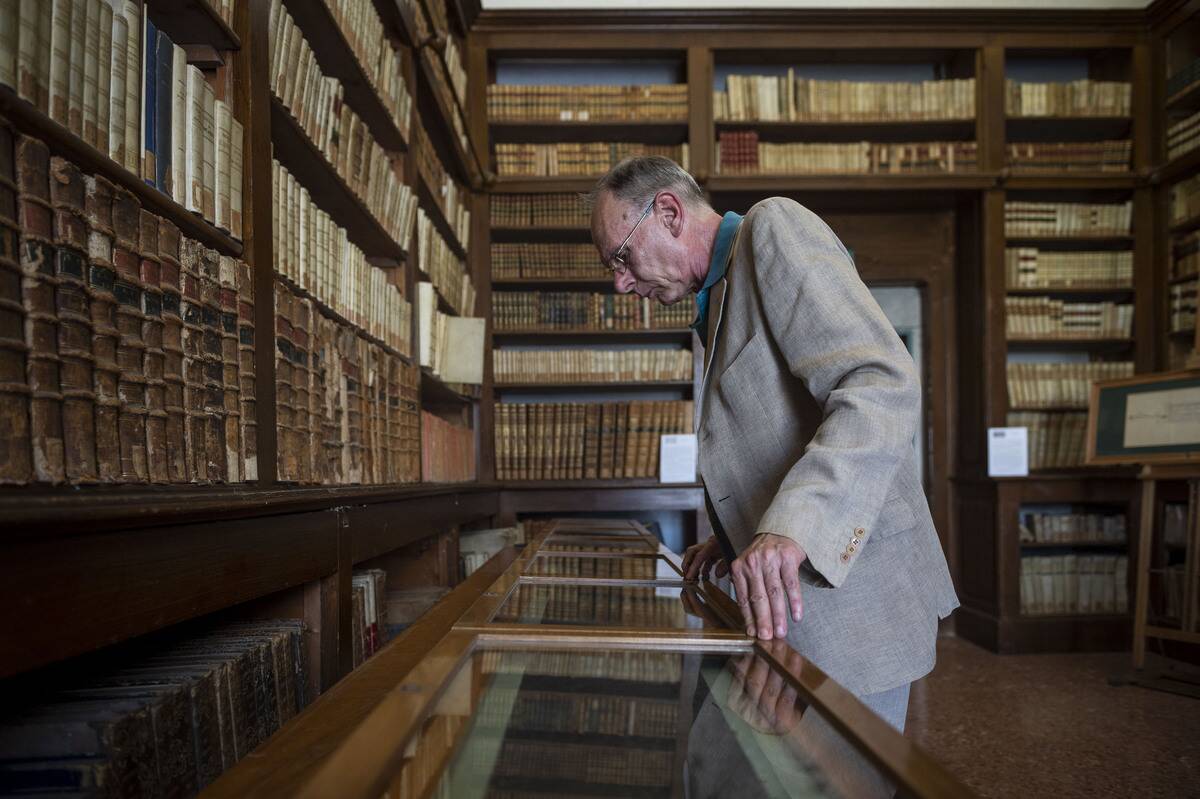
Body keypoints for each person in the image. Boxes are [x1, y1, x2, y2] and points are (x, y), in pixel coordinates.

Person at [586, 156, 958, 732]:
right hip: (799, 607)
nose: (621, 282)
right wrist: (737, 533)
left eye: (622, 256)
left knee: (846, 772)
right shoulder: (719, 293)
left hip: (854, 604)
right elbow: (780, 426)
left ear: (669, 213)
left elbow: (878, 382)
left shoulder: (773, 227)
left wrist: (791, 527)